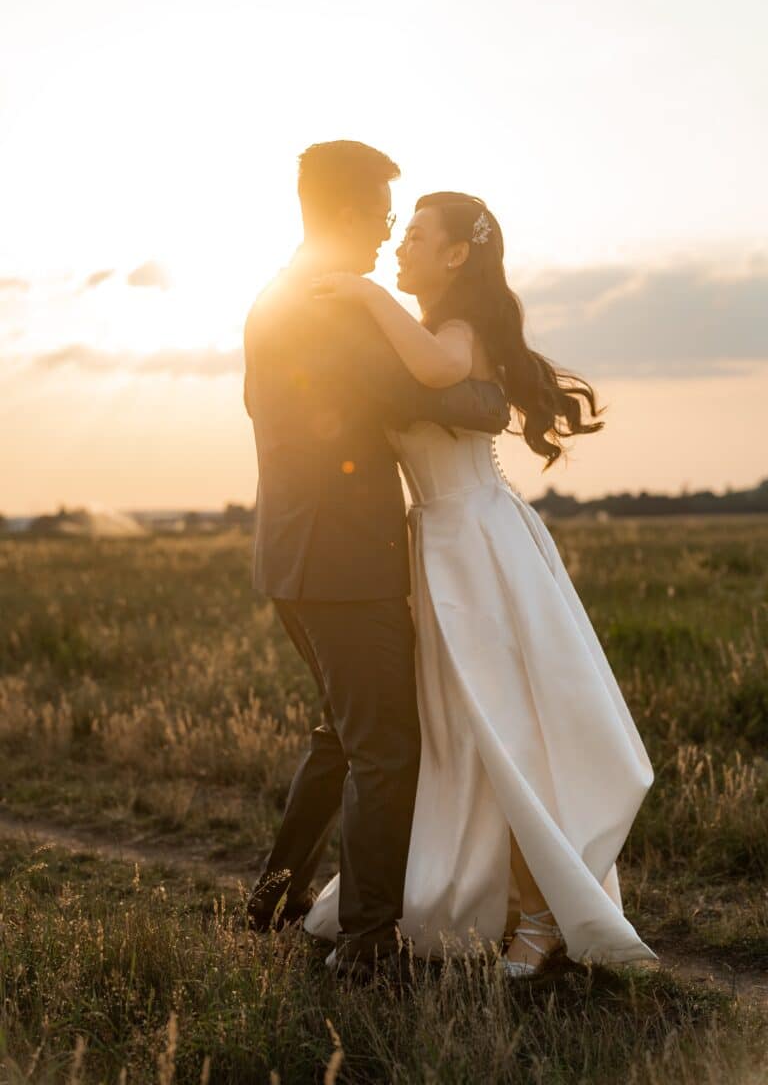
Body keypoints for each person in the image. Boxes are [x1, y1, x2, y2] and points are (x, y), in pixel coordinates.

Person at [305, 192, 656, 976]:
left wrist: (364, 293)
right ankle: (496, 900)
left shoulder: (455, 332)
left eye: (418, 237)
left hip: (481, 548)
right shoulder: (429, 329)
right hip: (440, 546)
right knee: (463, 737)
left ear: (458, 255)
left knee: (507, 731)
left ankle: (540, 918)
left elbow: (433, 372)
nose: (399, 249)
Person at [243, 150, 510, 977]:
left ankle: (274, 900)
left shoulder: (276, 294)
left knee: (341, 736)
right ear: (353, 214)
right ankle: (364, 945)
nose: (391, 232)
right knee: (387, 750)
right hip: (342, 562)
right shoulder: (335, 305)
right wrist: (500, 397)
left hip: (293, 553)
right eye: (388, 217)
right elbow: (427, 396)